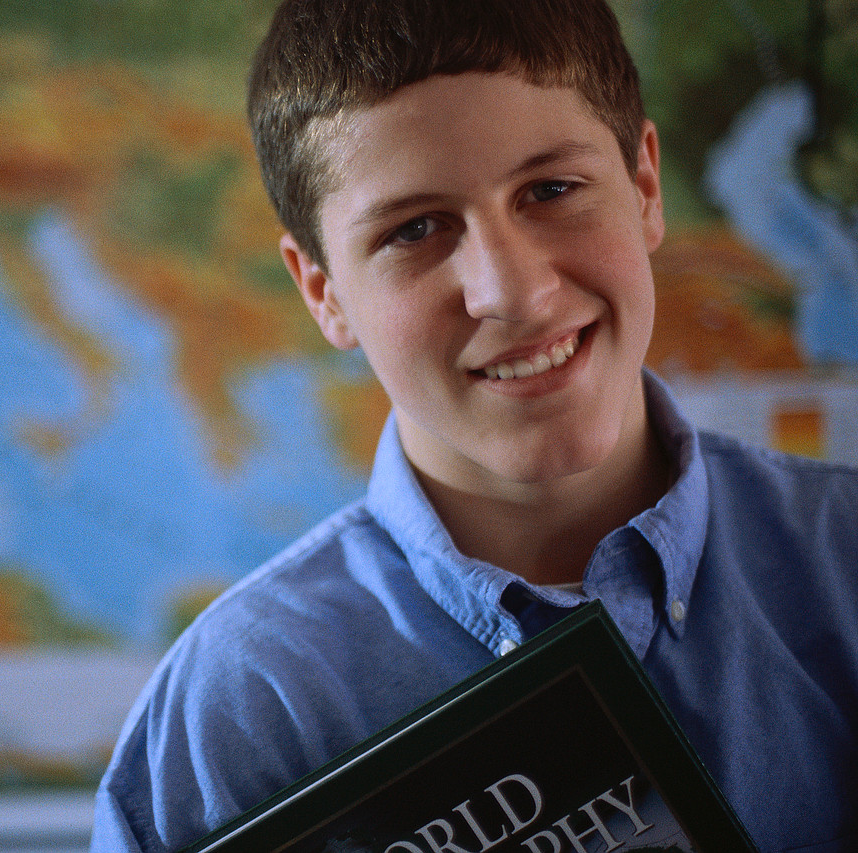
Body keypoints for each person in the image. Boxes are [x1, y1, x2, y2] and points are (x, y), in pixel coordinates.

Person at [91, 1, 858, 850]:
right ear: (324, 292)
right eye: (415, 229)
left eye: (552, 190)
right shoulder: (238, 715)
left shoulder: (845, 562)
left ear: (644, 185)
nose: (512, 292)